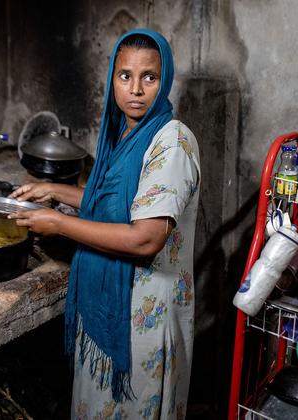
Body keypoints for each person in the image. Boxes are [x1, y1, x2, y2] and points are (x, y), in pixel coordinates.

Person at [11, 29, 200, 419]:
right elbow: (120, 206)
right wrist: (54, 191)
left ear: (164, 81)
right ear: (112, 79)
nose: (136, 89)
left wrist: (59, 225)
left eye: (149, 77)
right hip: (115, 308)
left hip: (143, 320)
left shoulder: (172, 141)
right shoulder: (126, 134)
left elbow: (145, 238)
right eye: (124, 75)